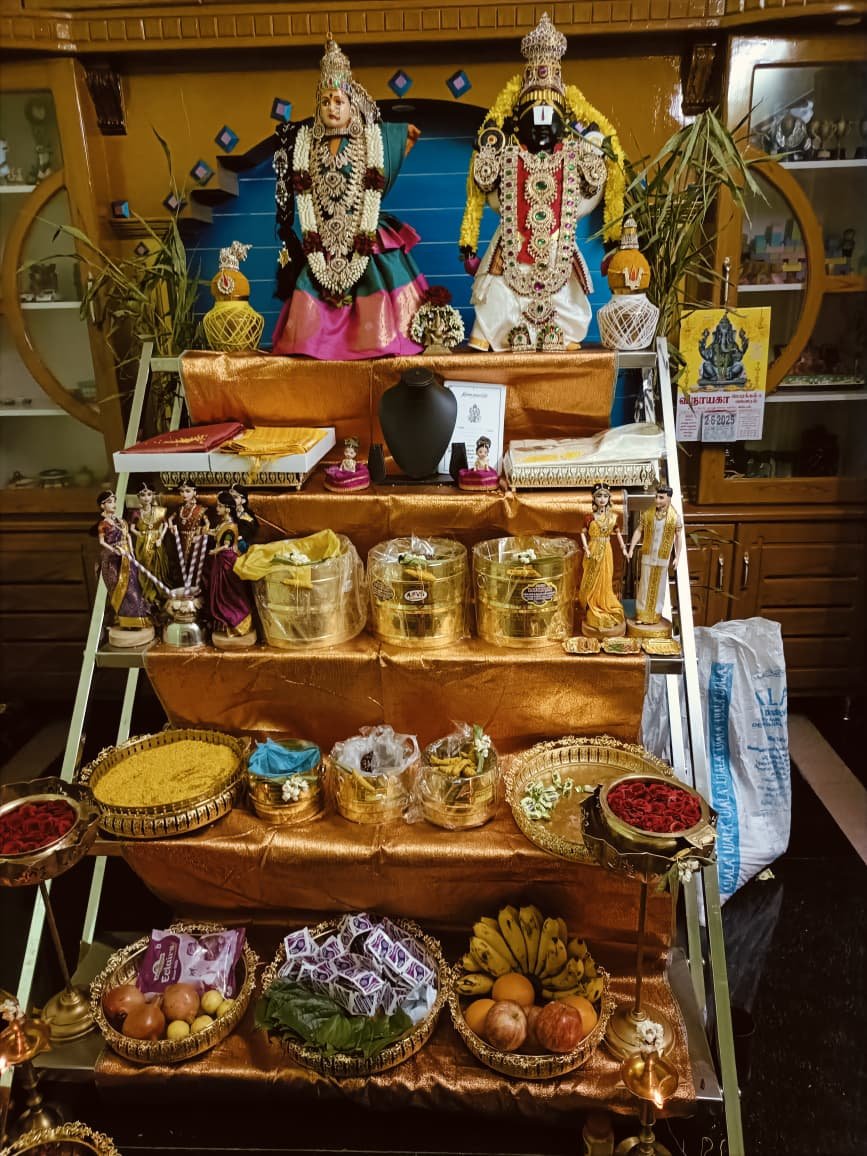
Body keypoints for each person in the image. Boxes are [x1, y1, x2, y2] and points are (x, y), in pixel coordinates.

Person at [458, 13, 625, 353]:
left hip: (557, 246)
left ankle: (563, 333)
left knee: (567, 293)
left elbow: (590, 195)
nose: (542, 125)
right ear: (520, 123)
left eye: (550, 116)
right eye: (534, 117)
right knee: (498, 291)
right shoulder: (506, 154)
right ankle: (490, 333)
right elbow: (488, 195)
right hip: (513, 244)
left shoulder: (577, 155)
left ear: (563, 122)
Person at [270, 36, 428, 359]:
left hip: (366, 237)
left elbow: (411, 132)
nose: (332, 107)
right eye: (325, 101)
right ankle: (316, 345)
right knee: (309, 297)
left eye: (339, 101)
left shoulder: (372, 140)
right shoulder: (305, 144)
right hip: (322, 242)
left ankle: (375, 339)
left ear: (352, 106)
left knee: (382, 297)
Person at [95, 490, 154, 643]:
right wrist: (115, 550)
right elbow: (102, 542)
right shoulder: (103, 524)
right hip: (113, 561)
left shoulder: (121, 521)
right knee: (121, 590)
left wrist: (132, 552)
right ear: (102, 506)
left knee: (134, 587)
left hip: (127, 558)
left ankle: (137, 619)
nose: (113, 505)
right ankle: (125, 620)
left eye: (114, 501)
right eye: (109, 502)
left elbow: (127, 536)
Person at [202, 492, 257, 648]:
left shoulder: (231, 526)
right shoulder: (223, 523)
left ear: (227, 509)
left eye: (220, 506)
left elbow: (226, 545)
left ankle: (239, 623)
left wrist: (215, 550)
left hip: (227, 562)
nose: (217, 508)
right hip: (220, 561)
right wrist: (206, 526)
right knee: (220, 592)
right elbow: (215, 533)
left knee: (229, 593)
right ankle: (228, 623)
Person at [628, 484, 683, 629]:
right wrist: (631, 548)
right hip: (648, 555)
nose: (657, 500)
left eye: (661, 498)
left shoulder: (674, 518)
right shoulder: (648, 514)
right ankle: (642, 614)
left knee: (659, 587)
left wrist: (677, 556)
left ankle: (654, 615)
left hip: (662, 557)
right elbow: (639, 531)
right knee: (644, 586)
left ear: (668, 499)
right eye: (656, 497)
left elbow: (678, 537)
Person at [578, 484, 626, 637]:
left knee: (605, 577)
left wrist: (624, 548)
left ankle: (604, 605)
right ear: (594, 498)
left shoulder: (612, 517)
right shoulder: (589, 517)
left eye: (605, 496)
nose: (602, 499)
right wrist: (586, 548)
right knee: (592, 578)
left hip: (606, 550)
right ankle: (592, 605)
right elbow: (582, 533)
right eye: (599, 496)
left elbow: (618, 534)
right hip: (593, 550)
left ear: (609, 498)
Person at [129, 481, 170, 605]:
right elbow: (131, 528)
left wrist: (160, 538)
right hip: (143, 544)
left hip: (157, 542)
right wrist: (140, 535)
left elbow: (165, 525)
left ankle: (160, 592)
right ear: (138, 497)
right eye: (143, 495)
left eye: (149, 494)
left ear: (153, 495)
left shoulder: (159, 511)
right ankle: (148, 594)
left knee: (159, 567)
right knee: (145, 567)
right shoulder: (136, 513)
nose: (146, 498)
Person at [167, 480, 209, 586]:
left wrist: (200, 533)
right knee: (180, 563)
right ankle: (183, 586)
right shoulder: (180, 508)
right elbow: (170, 518)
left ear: (194, 492)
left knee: (193, 563)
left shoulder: (201, 509)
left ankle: (194, 586)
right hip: (180, 539)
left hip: (194, 541)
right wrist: (170, 525)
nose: (184, 494)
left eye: (187, 491)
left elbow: (207, 524)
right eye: (182, 491)